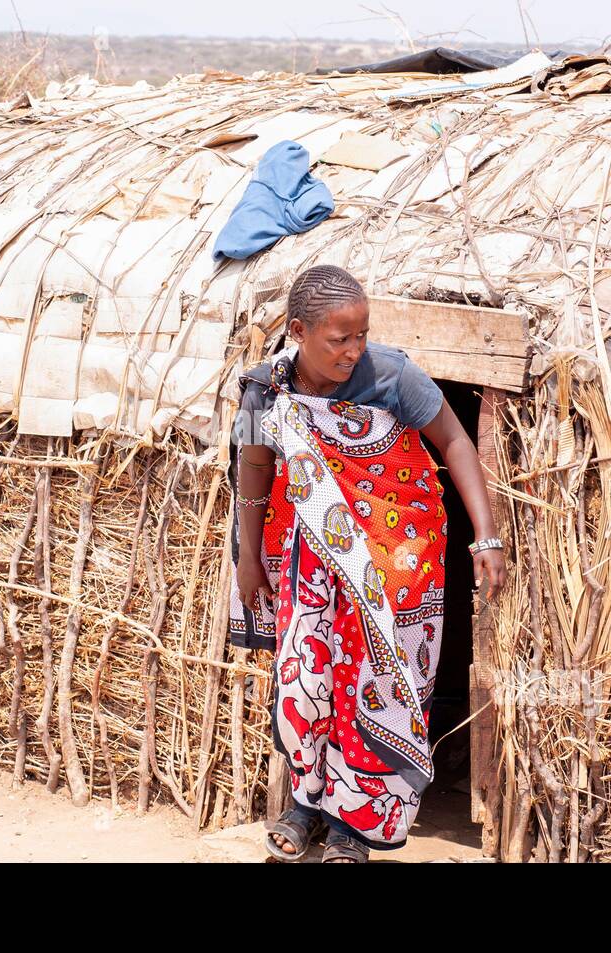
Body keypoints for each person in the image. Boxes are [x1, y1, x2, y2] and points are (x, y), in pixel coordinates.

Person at [228, 264, 507, 863]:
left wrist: (485, 537)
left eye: (362, 335)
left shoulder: (393, 375)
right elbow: (254, 473)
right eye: (339, 339)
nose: (355, 351)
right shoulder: (264, 389)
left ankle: (356, 828)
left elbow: (455, 442)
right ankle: (306, 807)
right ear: (299, 330)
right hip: (314, 561)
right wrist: (249, 558)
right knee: (309, 677)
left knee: (376, 685)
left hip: (395, 560)